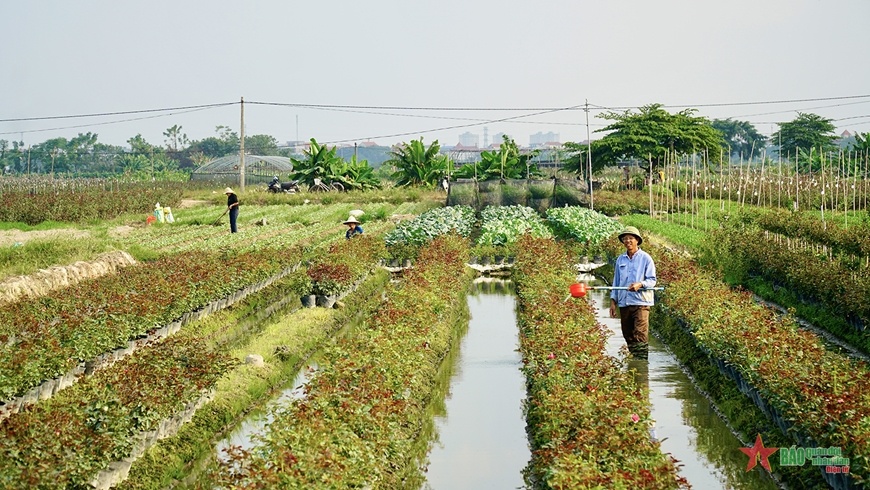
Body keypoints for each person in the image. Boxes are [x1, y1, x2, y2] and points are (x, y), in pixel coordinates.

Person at [609, 226, 656, 359]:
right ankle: (635, 360)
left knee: (640, 334)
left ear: (637, 240)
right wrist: (613, 302)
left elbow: (652, 280)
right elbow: (616, 282)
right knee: (627, 334)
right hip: (624, 302)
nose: (628, 241)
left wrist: (640, 284)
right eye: (625, 239)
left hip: (641, 302)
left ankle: (641, 364)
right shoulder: (620, 260)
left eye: (630, 238)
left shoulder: (646, 258)